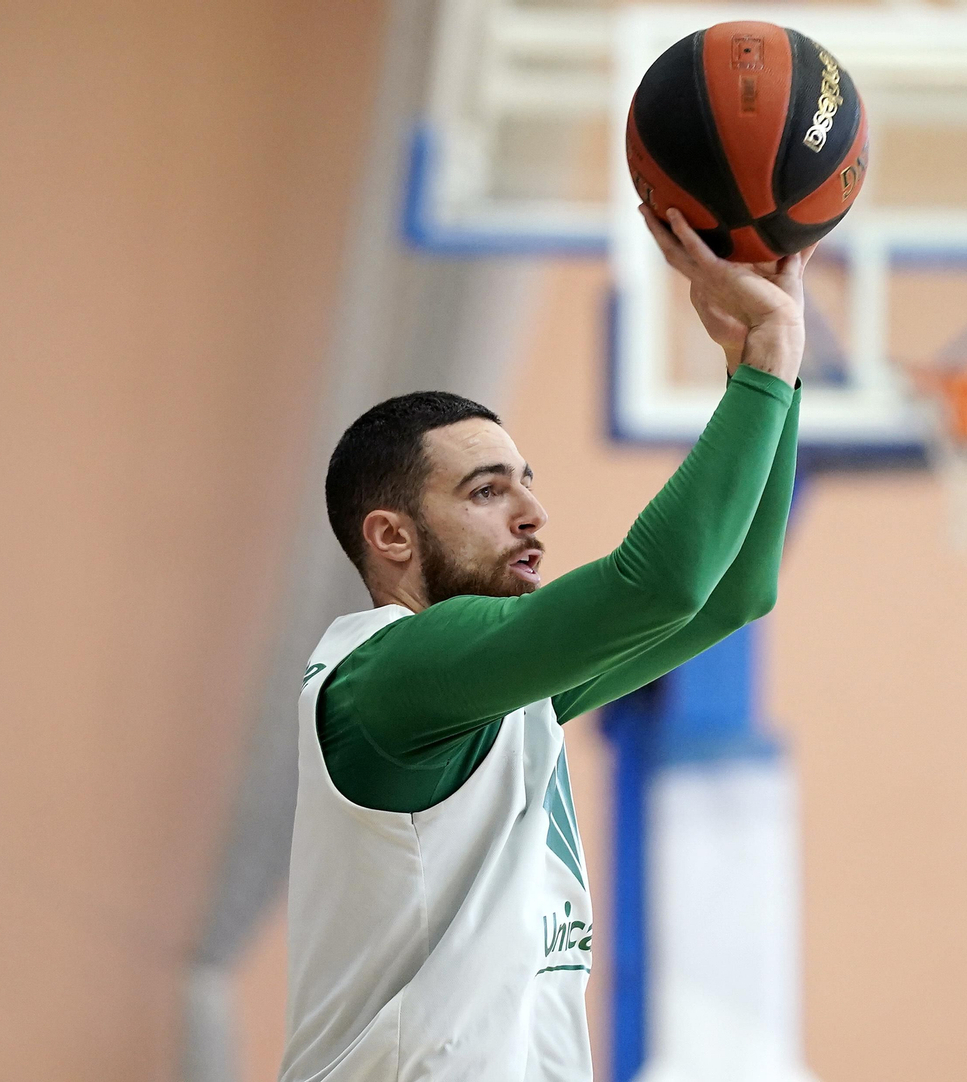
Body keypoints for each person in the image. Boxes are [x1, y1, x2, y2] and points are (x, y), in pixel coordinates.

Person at [279, 209, 811, 1082]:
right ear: (393, 536)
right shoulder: (393, 675)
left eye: (529, 482)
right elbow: (667, 584)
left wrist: (766, 373)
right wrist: (769, 355)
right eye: (488, 491)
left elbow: (731, 597)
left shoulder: (499, 695)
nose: (533, 513)